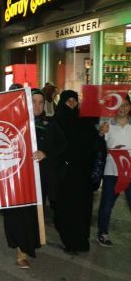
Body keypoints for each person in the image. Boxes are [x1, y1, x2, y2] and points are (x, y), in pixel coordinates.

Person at [2, 89, 65, 268]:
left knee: (31, 214)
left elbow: (62, 145)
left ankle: (25, 248)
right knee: (16, 213)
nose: (37, 106)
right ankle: (20, 248)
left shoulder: (49, 124)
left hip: (39, 178)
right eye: (33, 101)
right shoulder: (15, 122)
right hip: (17, 177)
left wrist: (46, 153)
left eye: (40, 102)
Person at [52, 90, 97, 254]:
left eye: (74, 100)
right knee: (65, 209)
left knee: (82, 208)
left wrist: (100, 134)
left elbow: (93, 143)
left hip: (82, 174)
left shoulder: (85, 122)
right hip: (65, 175)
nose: (72, 104)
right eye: (68, 101)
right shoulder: (56, 122)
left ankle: (81, 240)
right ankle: (69, 241)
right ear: (62, 102)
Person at [97, 95, 131, 247]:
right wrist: (100, 133)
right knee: (106, 204)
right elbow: (99, 147)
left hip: (130, 171)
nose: (122, 108)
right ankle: (103, 233)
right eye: (119, 105)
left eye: (126, 105)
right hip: (111, 170)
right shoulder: (107, 124)